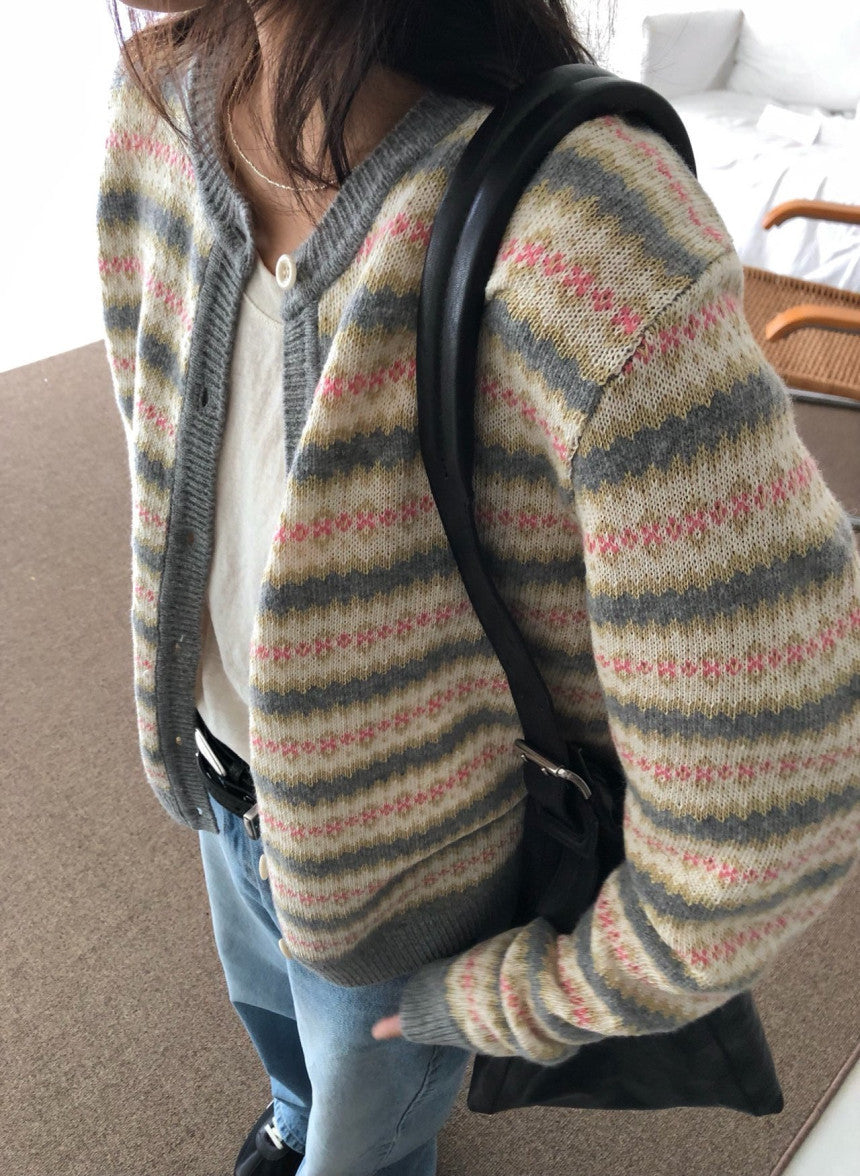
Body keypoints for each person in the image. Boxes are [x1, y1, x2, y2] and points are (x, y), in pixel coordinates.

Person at [98, 1, 860, 1174]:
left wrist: (524, 998)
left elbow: (770, 796)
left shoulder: (593, 241)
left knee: (368, 1126)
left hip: (417, 880)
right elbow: (158, 435)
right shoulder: (157, 97)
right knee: (278, 1024)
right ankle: (294, 1110)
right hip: (222, 778)